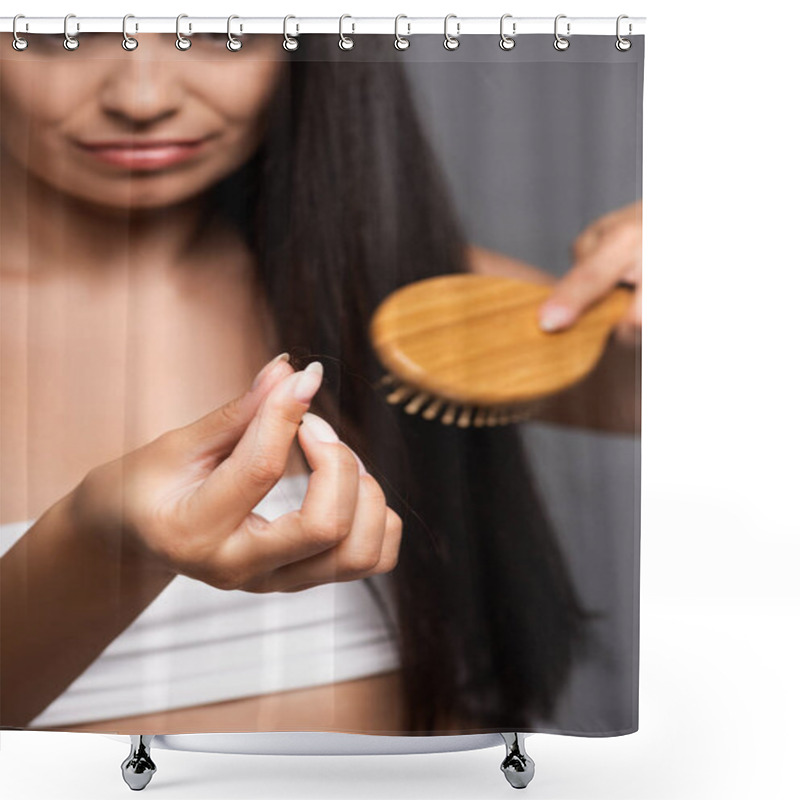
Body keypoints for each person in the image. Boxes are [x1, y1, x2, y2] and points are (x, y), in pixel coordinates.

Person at [0, 32, 641, 735]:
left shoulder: (393, 288)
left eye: (224, 32)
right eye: (59, 35)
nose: (143, 99)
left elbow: (708, 408)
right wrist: (95, 542)